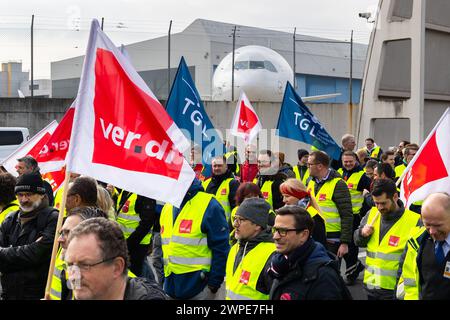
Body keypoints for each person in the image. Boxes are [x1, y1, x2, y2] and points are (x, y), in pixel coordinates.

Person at [160, 178, 230, 299]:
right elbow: (165, 247)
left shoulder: (209, 204)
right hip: (171, 287)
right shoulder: (167, 207)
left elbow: (221, 248)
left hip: (199, 287)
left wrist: (214, 283)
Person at [64, 218, 167, 300]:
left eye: (85, 265)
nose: (73, 277)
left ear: (117, 267)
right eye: (69, 265)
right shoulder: (85, 293)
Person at [354, 179, 421, 300]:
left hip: (394, 290)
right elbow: (357, 241)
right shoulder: (372, 214)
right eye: (376, 203)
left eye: (383, 203)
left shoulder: (415, 221)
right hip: (371, 286)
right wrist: (362, 233)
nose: (379, 207)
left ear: (395, 197)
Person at [268, 205, 351, 300]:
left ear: (303, 235)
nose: (275, 236)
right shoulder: (280, 262)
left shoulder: (323, 276)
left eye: (283, 231)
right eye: (275, 230)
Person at [0, 172, 58, 299]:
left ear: (42, 195)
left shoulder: (53, 218)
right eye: (20, 195)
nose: (24, 200)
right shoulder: (10, 220)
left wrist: (5, 254)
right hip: (9, 294)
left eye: (29, 195)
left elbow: (37, 254)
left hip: (38, 294)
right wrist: (27, 252)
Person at [397, 193, 450, 300]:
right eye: (427, 225)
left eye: (437, 225)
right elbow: (405, 279)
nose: (432, 231)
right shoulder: (416, 242)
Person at [49, 206, 110, 300]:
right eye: (61, 233)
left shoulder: (119, 287)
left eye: (68, 233)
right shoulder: (67, 264)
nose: (59, 239)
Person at [306, 151, 353, 262]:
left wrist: (344, 242)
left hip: (332, 240)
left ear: (320, 166)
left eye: (309, 164)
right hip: (315, 236)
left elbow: (347, 215)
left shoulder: (338, 184)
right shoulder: (311, 182)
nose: (307, 167)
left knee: (331, 273)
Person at [226, 198, 275, 300]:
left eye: (241, 220)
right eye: (235, 218)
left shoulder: (272, 254)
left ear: (257, 225)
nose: (235, 224)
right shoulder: (235, 248)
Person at [337, 151, 371, 284]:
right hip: (339, 216)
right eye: (345, 161)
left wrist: (363, 211)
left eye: (350, 161)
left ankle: (351, 274)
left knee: (351, 247)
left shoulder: (362, 176)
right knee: (341, 246)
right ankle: (356, 267)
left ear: (356, 160)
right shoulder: (339, 172)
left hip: (354, 217)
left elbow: (372, 193)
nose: (348, 164)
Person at [116, 189, 157, 277]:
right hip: (124, 243)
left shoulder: (144, 194)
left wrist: (129, 243)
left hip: (136, 245)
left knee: (135, 278)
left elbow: (147, 223)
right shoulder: (126, 190)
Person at [279, 178, 326, 246]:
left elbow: (319, 244)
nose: (284, 200)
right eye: (283, 196)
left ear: (299, 196)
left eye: (287, 196)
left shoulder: (313, 216)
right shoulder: (289, 213)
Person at [202, 155, 240, 225]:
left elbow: (236, 209)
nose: (217, 168)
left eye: (219, 166)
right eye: (214, 166)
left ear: (226, 166)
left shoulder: (232, 184)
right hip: (207, 226)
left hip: (225, 227)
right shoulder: (205, 184)